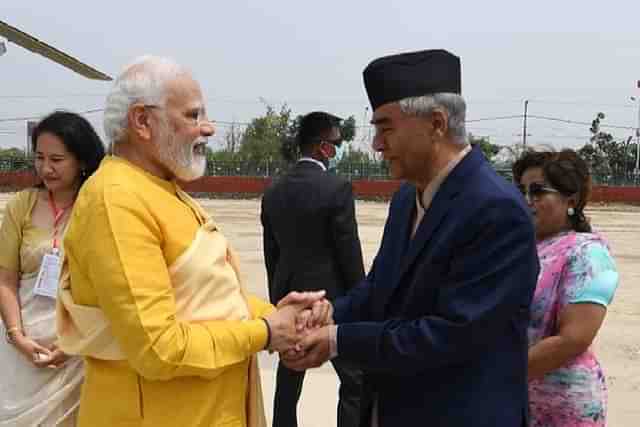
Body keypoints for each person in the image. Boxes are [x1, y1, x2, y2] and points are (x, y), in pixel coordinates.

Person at [55, 56, 329, 427]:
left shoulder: (164, 191)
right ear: (142, 121)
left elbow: (208, 298)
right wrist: (266, 332)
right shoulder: (116, 200)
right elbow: (158, 349)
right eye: (193, 115)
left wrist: (279, 316)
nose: (209, 128)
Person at [280, 49, 540, 427]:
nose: (376, 144)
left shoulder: (495, 211)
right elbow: (379, 290)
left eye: (386, 128)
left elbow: (451, 334)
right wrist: (328, 313)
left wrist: (337, 339)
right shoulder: (407, 199)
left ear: (436, 123)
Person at [0, 111, 105, 426]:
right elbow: (5, 278)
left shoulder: (99, 208)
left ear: (82, 160)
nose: (46, 168)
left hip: (77, 352)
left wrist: (74, 342)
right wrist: (17, 335)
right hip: (22, 349)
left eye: (57, 159)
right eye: (40, 157)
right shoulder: (22, 205)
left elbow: (108, 287)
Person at [261, 111, 364, 427]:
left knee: (289, 380)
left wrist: (278, 304)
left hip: (289, 301)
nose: (338, 148)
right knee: (354, 381)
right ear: (323, 147)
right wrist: (360, 300)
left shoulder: (273, 191)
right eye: (337, 142)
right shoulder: (337, 188)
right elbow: (348, 253)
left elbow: (272, 256)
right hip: (331, 304)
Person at [512, 149, 619, 427]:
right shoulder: (521, 249)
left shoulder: (588, 253)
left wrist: (498, 375)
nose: (526, 200)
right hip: (515, 401)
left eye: (537, 191)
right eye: (521, 190)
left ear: (570, 199)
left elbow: (573, 339)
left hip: (562, 406)